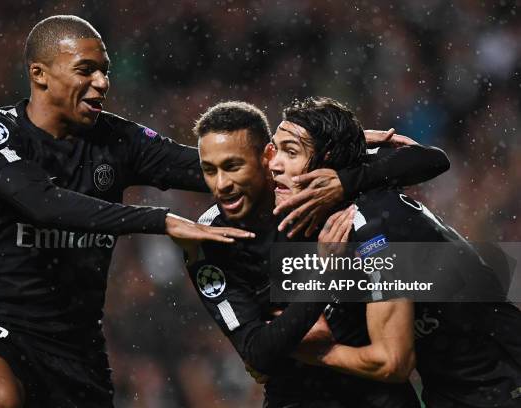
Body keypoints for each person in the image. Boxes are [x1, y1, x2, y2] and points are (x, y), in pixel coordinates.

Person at [0, 15, 257, 408]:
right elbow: (44, 203)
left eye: (105, 71)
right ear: (39, 74)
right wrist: (158, 220)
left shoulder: (116, 139)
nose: (102, 82)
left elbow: (210, 167)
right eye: (86, 70)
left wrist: (317, 160)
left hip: (80, 350)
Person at [185, 100, 450, 406]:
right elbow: (258, 355)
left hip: (376, 391)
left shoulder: (314, 178)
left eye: (234, 166)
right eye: (210, 170)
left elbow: (430, 160)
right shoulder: (212, 237)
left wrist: (349, 168)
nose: (224, 184)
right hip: (301, 397)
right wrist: (325, 278)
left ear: (264, 156)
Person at [269, 96, 521, 407]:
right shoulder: (358, 187)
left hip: (500, 384)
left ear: (328, 158)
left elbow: (393, 362)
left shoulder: (373, 230)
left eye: (290, 152)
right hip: (456, 388)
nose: (273, 164)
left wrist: (313, 351)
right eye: (274, 149)